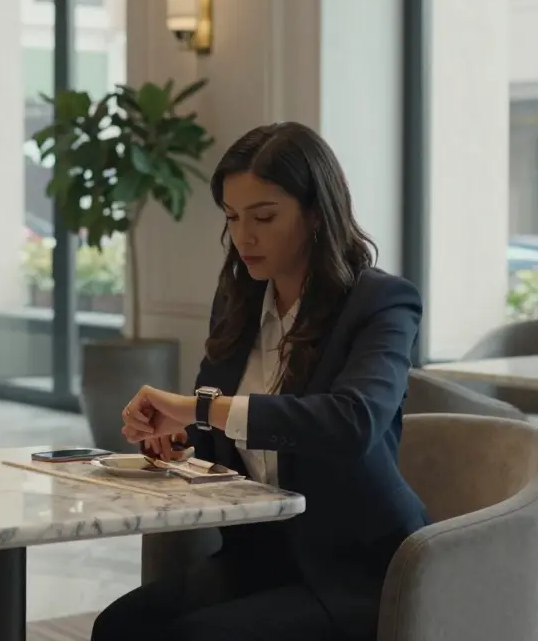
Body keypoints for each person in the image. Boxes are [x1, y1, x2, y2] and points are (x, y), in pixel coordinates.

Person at [92, 122, 428, 641]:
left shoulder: (381, 303)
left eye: (264, 217)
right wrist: (179, 438)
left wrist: (197, 409)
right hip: (262, 557)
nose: (244, 237)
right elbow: (222, 431)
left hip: (358, 571)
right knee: (120, 627)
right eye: (232, 217)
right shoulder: (239, 300)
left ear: (316, 214)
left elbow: (352, 422)